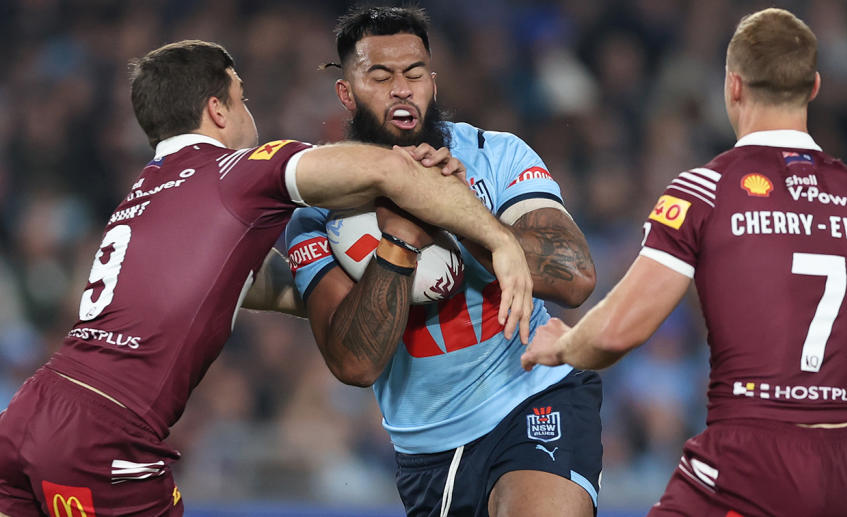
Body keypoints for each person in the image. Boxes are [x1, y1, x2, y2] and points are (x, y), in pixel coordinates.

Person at [0, 39, 534, 516]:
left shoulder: (146, 196)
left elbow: (264, 287)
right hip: (103, 434)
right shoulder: (237, 172)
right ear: (216, 109)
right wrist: (499, 240)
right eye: (242, 98)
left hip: (29, 412)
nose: (249, 111)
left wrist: (372, 287)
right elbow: (389, 171)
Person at [522, 8, 847, 517]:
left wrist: (562, 345)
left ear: (734, 86)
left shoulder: (706, 191)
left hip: (754, 457)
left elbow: (618, 332)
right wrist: (842, 354)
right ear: (813, 86)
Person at [284, 6, 601, 516]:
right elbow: (355, 363)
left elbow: (576, 275)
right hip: (427, 452)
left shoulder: (496, 155)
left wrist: (459, 213)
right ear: (347, 93)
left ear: (432, 82)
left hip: (532, 397)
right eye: (380, 76)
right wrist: (404, 233)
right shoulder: (319, 212)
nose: (401, 89)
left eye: (414, 74)